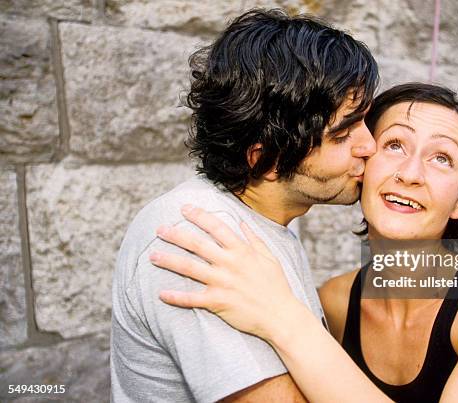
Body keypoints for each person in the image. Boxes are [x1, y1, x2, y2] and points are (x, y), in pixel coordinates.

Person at [150, 83, 458, 402]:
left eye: (441, 158)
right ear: (363, 162)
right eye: (394, 145)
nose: (410, 174)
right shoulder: (334, 302)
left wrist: (285, 319)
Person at [110, 8, 379, 402]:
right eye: (343, 134)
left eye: (366, 121)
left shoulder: (260, 221)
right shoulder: (201, 237)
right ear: (265, 159)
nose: (369, 146)